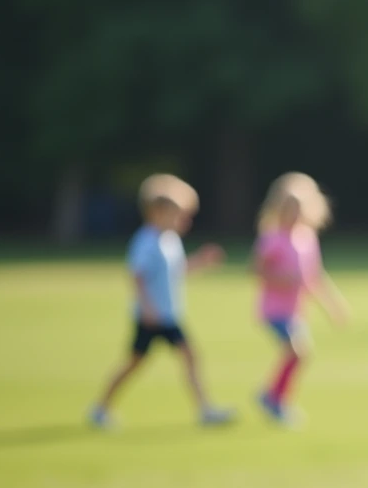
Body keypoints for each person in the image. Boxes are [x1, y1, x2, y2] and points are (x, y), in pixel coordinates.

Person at [89, 174, 234, 429]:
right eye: (176, 213)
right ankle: (100, 408)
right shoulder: (146, 240)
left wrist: (201, 261)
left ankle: (205, 409)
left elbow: (177, 271)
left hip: (168, 315)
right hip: (151, 317)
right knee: (134, 363)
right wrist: (147, 308)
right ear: (156, 212)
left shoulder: (170, 240)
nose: (181, 220)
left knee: (190, 356)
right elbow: (137, 276)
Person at [253, 172, 348, 424]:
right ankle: (275, 400)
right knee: (298, 352)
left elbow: (314, 278)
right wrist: (281, 278)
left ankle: (273, 396)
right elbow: (257, 270)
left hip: (296, 311)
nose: (292, 213)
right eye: (287, 207)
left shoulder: (306, 238)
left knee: (298, 355)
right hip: (274, 310)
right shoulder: (273, 238)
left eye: (298, 208)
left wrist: (332, 306)